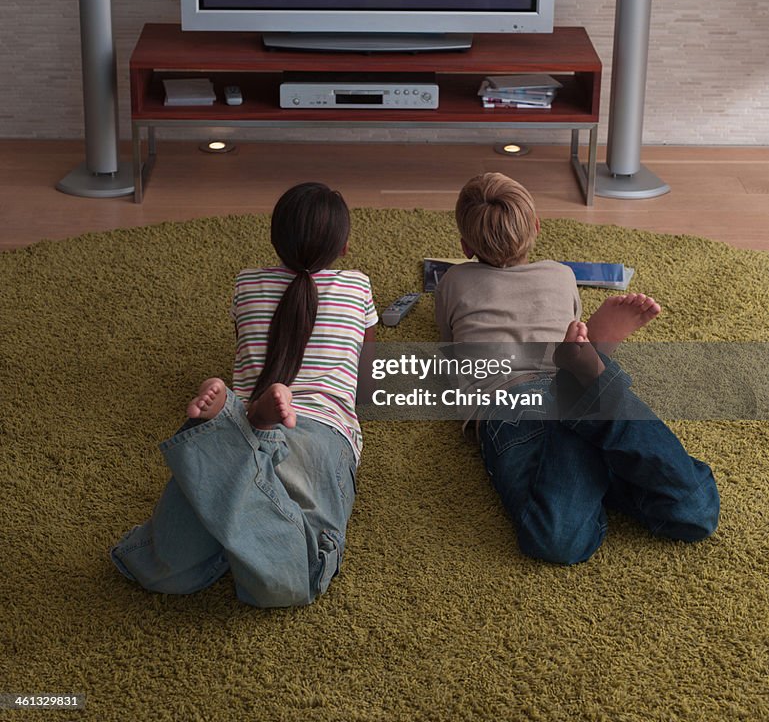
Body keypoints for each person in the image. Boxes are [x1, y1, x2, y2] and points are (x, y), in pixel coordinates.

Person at [111, 182, 378, 607]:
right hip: (321, 429)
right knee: (296, 578)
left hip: (243, 416)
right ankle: (253, 431)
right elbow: (367, 377)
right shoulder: (358, 287)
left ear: (275, 241)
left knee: (161, 568)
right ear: (343, 247)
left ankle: (237, 430)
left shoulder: (247, 282)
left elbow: (244, 340)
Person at [434, 172, 720, 564]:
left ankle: (579, 383)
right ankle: (586, 380)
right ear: (535, 226)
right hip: (568, 396)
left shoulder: (453, 280)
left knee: (559, 541)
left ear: (466, 246)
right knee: (695, 513)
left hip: (506, 404)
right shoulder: (561, 274)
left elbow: (448, 340)